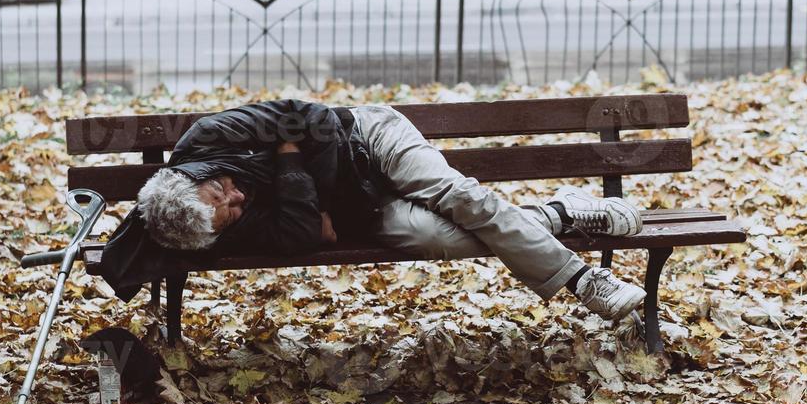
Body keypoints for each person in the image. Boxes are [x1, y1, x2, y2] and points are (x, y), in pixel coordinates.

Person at [98, 99, 650, 321]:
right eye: (233, 214)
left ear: (194, 177)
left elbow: (311, 119)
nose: (238, 200)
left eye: (223, 193)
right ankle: (558, 213)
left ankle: (582, 282)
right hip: (365, 206)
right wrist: (294, 165)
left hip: (372, 139)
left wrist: (304, 181)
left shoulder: (210, 137)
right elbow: (299, 236)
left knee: (461, 198)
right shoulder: (218, 228)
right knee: (443, 239)